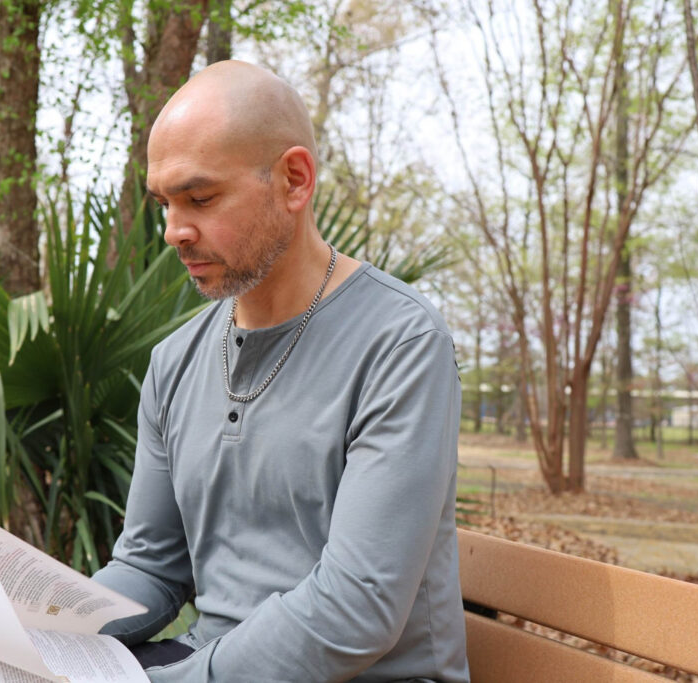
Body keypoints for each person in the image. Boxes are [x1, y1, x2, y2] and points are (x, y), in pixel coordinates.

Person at [93, 59, 469, 682]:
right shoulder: (175, 360)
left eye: (200, 198)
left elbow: (356, 609)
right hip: (208, 663)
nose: (173, 231)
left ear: (295, 180)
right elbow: (150, 566)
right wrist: (33, 633)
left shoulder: (400, 343)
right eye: (164, 203)